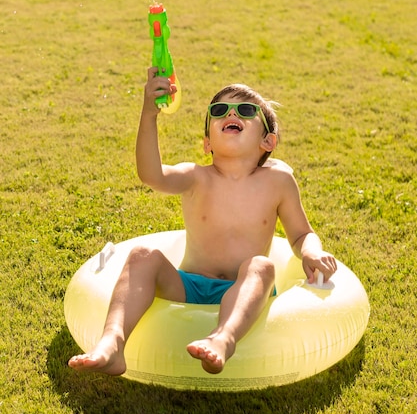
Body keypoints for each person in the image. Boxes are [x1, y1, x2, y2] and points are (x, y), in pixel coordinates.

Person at [68, 67, 337, 376]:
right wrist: (149, 114)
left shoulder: (278, 181)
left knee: (261, 266)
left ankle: (223, 339)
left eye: (245, 110)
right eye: (219, 110)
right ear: (207, 142)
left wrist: (311, 252)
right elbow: (151, 175)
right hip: (189, 285)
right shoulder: (197, 176)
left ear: (268, 141)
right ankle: (112, 342)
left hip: (245, 289)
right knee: (142, 256)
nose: (230, 113)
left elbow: (301, 233)